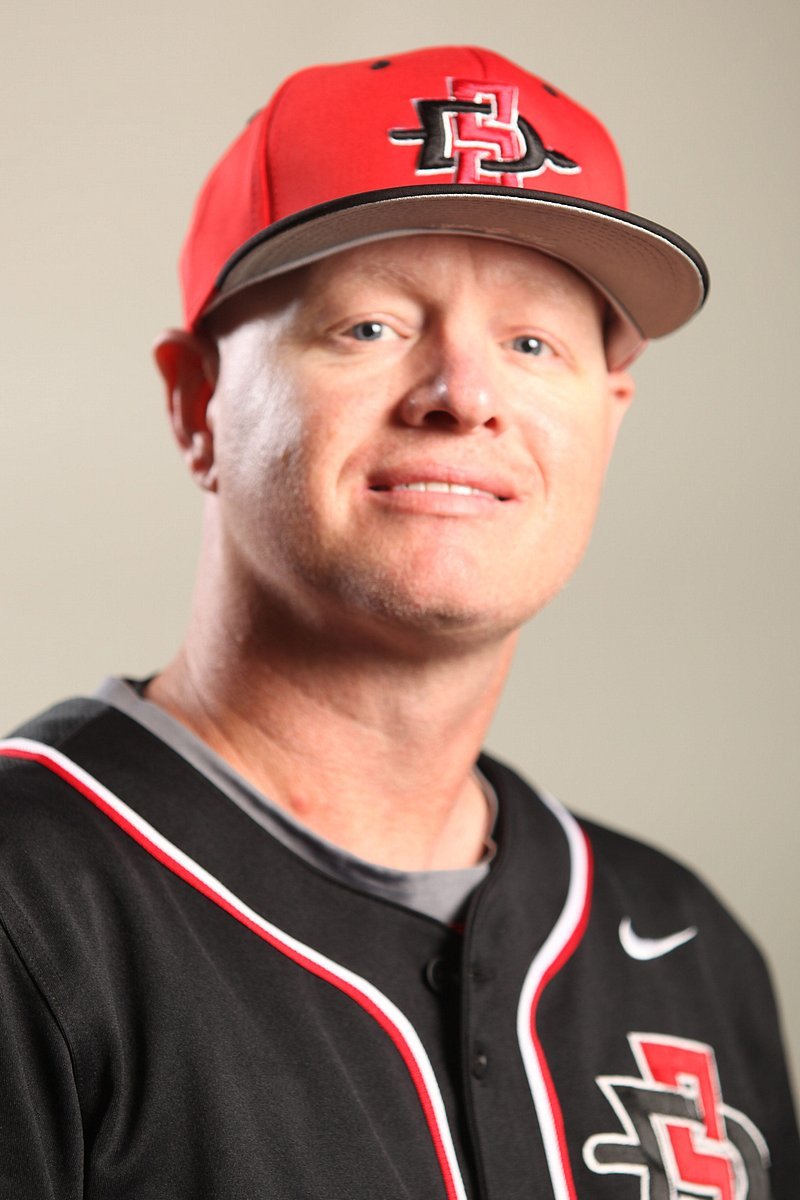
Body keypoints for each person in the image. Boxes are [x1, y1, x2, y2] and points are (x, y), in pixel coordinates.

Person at [1, 44, 797, 1199]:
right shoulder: (29, 903)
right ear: (196, 403)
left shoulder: (686, 948)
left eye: (531, 343)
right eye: (369, 327)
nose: (462, 395)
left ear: (608, 416)